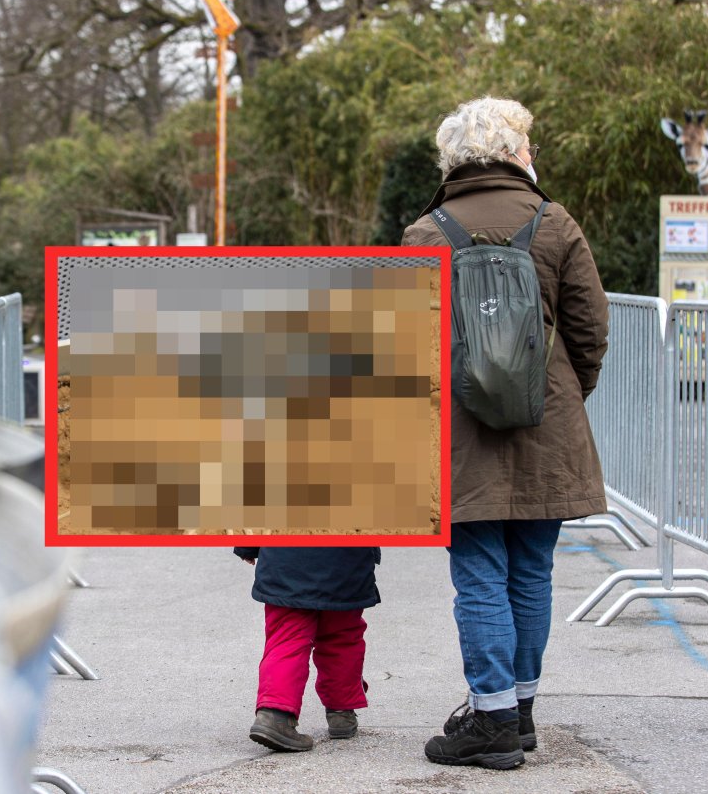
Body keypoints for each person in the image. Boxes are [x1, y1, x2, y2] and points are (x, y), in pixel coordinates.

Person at [401, 97, 609, 770]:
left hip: (462, 433)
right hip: (548, 425)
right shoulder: (554, 225)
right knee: (532, 570)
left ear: (454, 159)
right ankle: (518, 714)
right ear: (515, 151)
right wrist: (564, 395)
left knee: (479, 571)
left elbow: (407, 347)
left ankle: (488, 716)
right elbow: (590, 328)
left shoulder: (426, 234)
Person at [234, 546, 380, 752]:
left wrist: (247, 546)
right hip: (346, 563)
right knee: (342, 637)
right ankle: (341, 711)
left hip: (284, 563)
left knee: (287, 639)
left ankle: (275, 714)